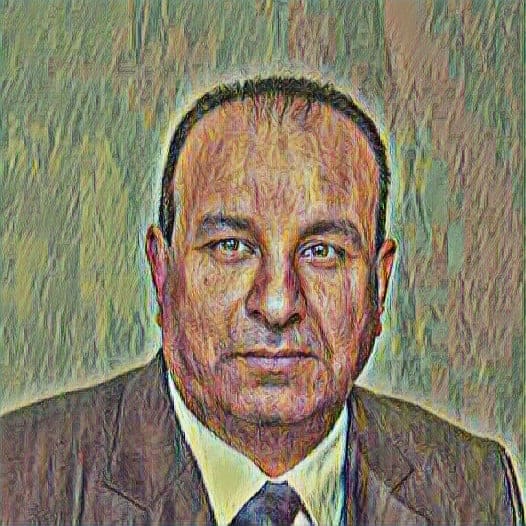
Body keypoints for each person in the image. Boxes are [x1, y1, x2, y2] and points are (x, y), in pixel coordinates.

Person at [0, 77, 523, 526]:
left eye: (322, 251)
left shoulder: (474, 489)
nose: (276, 304)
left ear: (379, 285)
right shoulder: (18, 479)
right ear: (162, 273)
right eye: (231, 247)